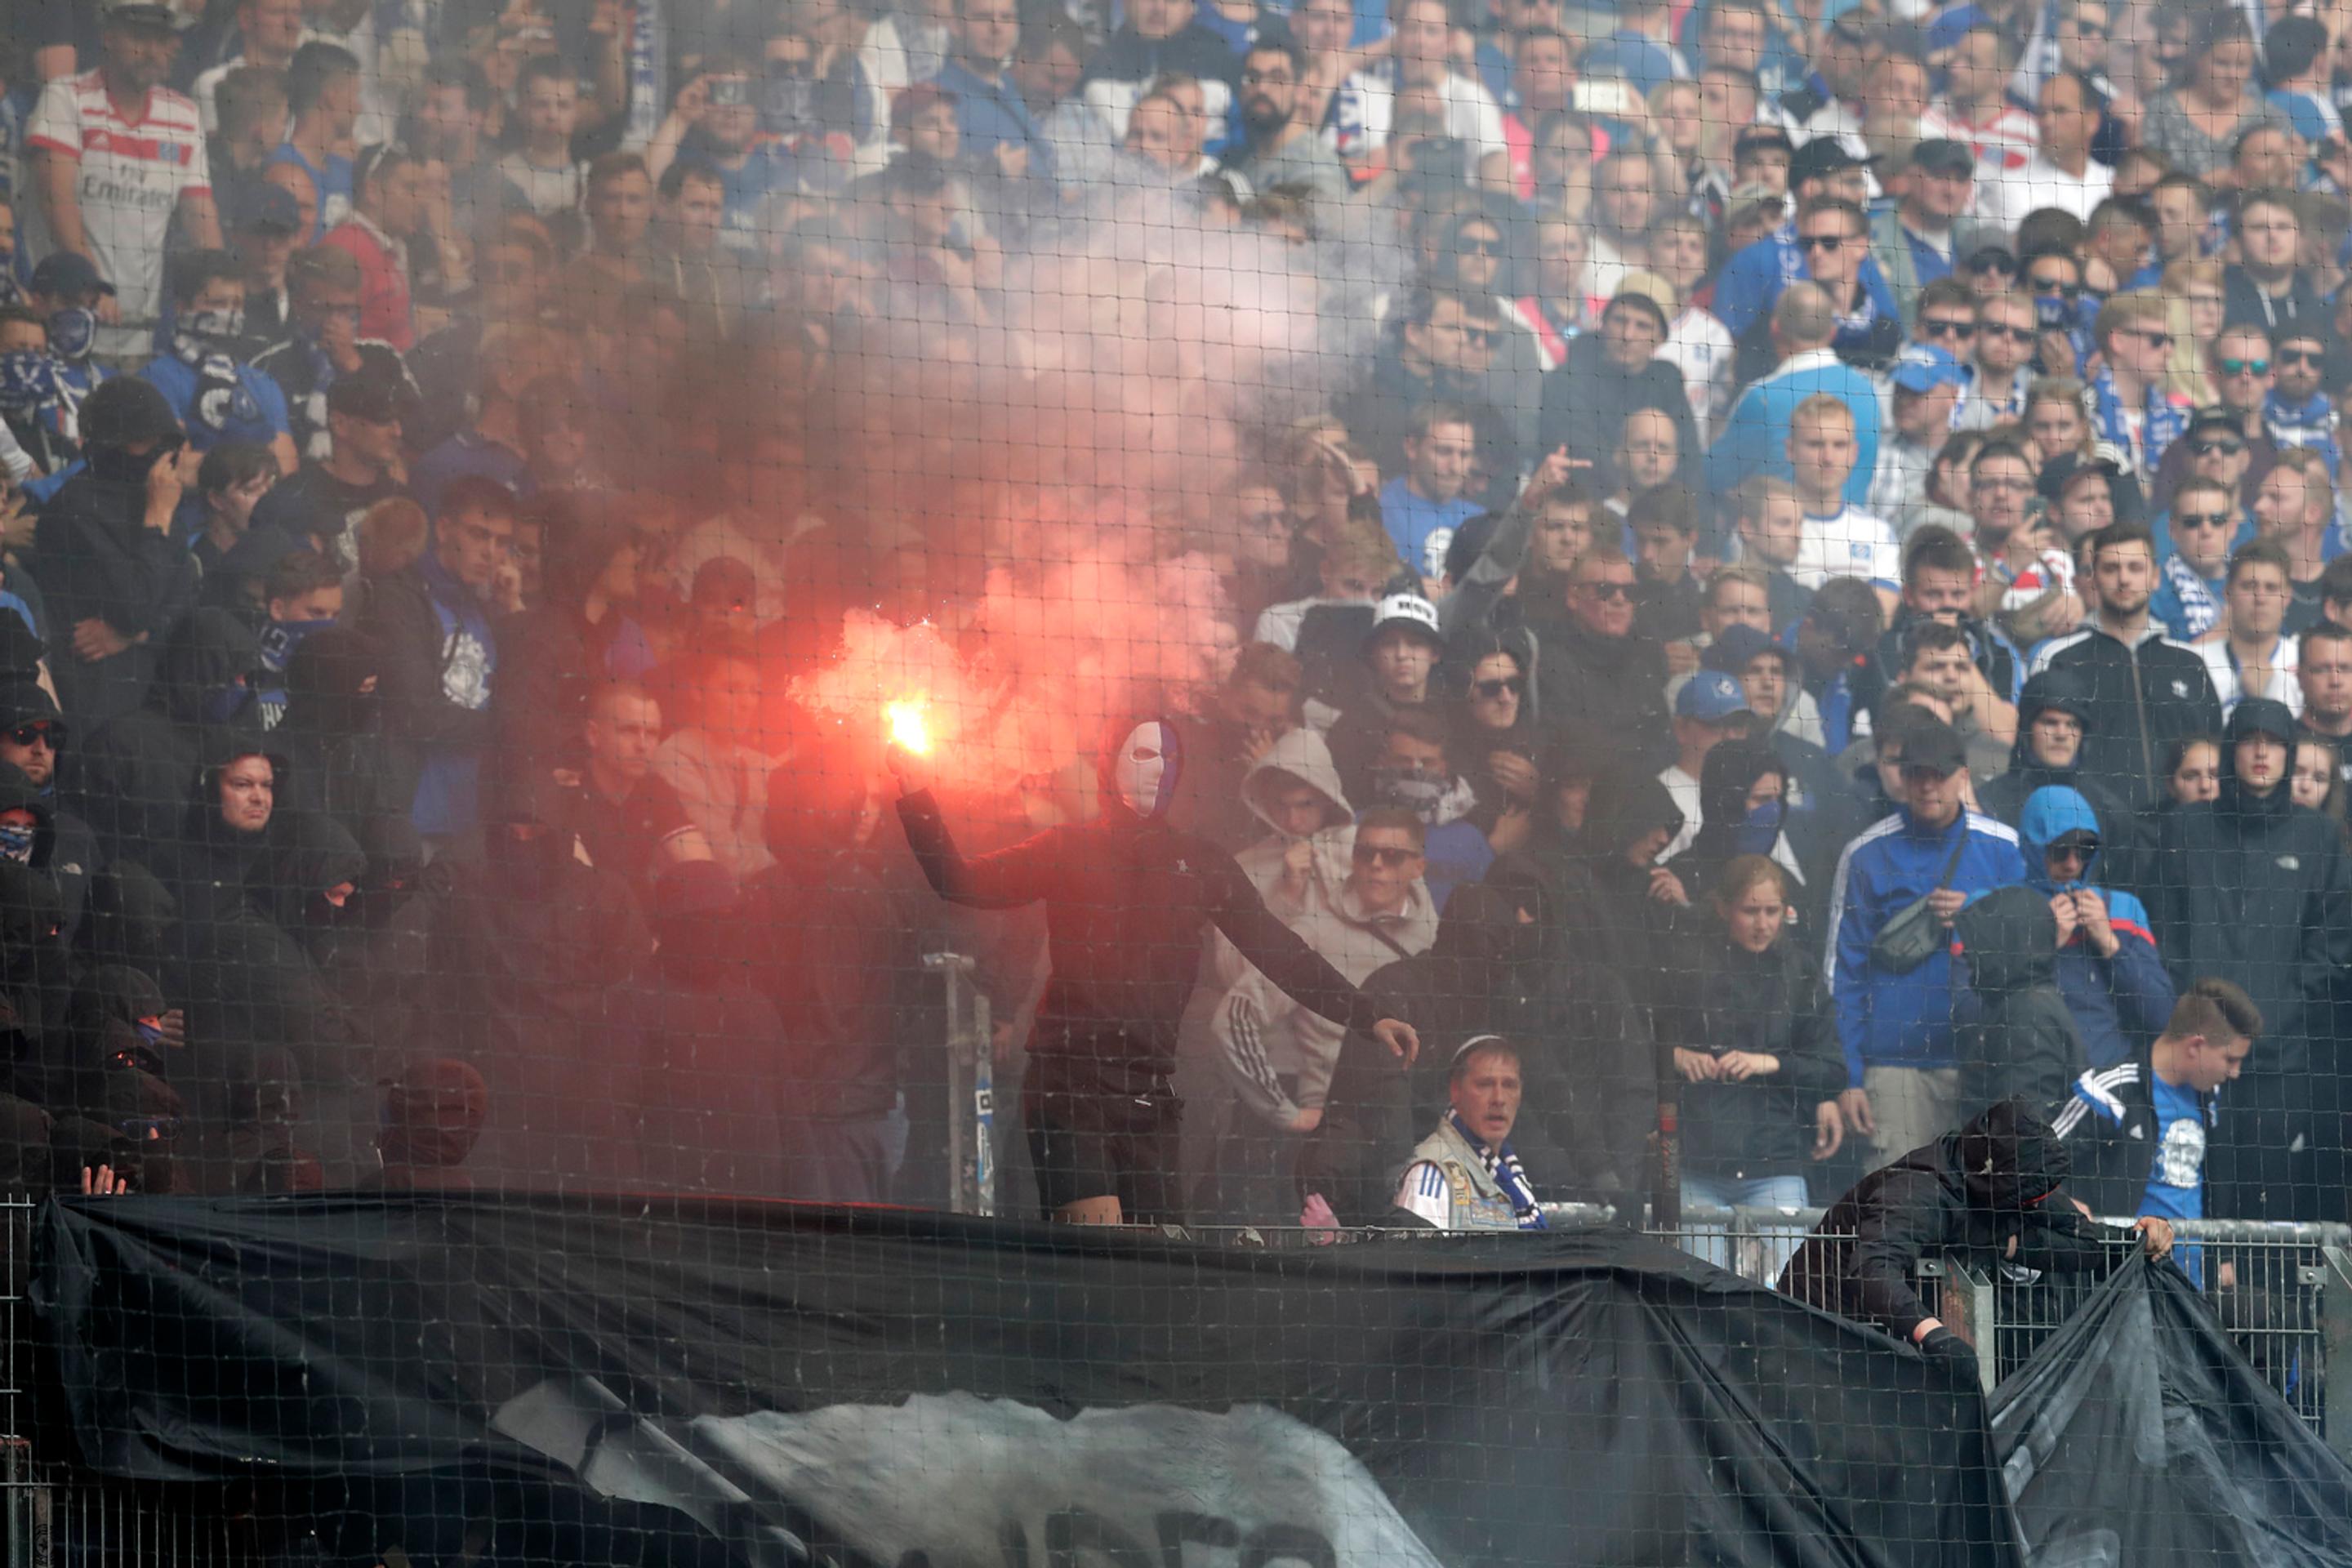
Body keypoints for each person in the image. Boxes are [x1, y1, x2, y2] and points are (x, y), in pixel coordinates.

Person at [892, 716, 1420, 1226]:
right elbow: (959, 880)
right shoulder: (1067, 848)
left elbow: (1280, 951)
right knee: (1099, 1263)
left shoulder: (1200, 862)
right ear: (1109, 762)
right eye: (1143, 753)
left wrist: (1367, 1015)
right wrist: (915, 795)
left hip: (1149, 1095)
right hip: (1072, 1085)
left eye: (1170, 757)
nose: (1159, 768)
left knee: (1156, 1272)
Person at [2140, 696, 2352, 1220]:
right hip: (2193, 1053)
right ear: (2232, 749)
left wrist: (2282, 1008)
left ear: (2290, 753)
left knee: (2269, 1204)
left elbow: (2331, 941)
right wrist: (2191, 1010)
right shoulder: (2184, 829)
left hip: (2279, 1060)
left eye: (2276, 743)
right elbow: (2161, 929)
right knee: (2190, 1189)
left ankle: (2266, 1304)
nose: (2262, 753)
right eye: (2251, 740)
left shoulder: (2318, 837)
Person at [1780, 1095, 2175, 1364]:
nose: (2047, 1202)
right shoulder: (1918, 1191)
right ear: (1999, 1180)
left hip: (1885, 1343)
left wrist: (2137, 1240)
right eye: (2033, 1200)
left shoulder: (2023, 1175)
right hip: (1818, 1339)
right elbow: (1873, 1269)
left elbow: (2077, 1236)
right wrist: (1935, 1336)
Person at [1206, 806, 1437, 1221]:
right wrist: (1285, 1114)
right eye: (1365, 853)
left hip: (1415, 1143)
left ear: (1419, 865)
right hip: (1335, 1144)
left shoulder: (1434, 936)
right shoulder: (1318, 930)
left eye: (1393, 856)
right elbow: (1234, 1015)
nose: (1376, 865)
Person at [1826, 719, 2027, 1169]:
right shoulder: (1866, 853)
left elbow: (2031, 953)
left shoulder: (2004, 848)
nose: (1928, 785)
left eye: (1939, 774)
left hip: (1984, 1067)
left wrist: (1976, 913)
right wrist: (1851, 1077)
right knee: (1900, 1213)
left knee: (1980, 1221)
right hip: (1896, 1070)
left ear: (1963, 775)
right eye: (1917, 774)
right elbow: (1844, 975)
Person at [24, 0, 223, 360]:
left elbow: (201, 217)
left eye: (162, 39)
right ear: (108, 37)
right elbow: (57, 202)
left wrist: (223, 290)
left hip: (140, 338)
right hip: (61, 330)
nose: (152, 50)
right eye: (140, 37)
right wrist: (92, 286)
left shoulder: (184, 115)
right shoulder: (65, 98)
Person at [2056, 979, 2261, 1285]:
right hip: (2122, 1285)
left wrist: (2222, 1257)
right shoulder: (2109, 1091)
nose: (2235, 1072)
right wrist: (2064, 1204)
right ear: (2196, 1046)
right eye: (2230, 1059)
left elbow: (2217, 1180)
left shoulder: (2210, 1099)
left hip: (2190, 1287)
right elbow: (2034, 1161)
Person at [35, 376, 201, 728]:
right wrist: (156, 521)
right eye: (143, 441)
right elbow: (133, 606)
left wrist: (137, 635)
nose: (157, 450)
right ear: (111, 444)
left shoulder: (160, 496)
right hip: (96, 696)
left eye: (163, 441)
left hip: (157, 686)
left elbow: (185, 594)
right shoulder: (74, 508)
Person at [2033, 523, 2225, 809]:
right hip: (2092, 829)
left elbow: (2214, 751)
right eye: (2111, 568)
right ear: (2093, 579)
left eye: (2136, 568)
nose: (2124, 579)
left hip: (2180, 830)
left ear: (2156, 577)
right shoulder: (2059, 658)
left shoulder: (2190, 663)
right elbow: (2036, 754)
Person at [1391, 1035, 1547, 1231]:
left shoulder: (1512, 1176)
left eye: (1509, 1085)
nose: (1499, 1098)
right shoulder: (1431, 1175)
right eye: (1485, 1084)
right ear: (1455, 1090)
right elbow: (1421, 1260)